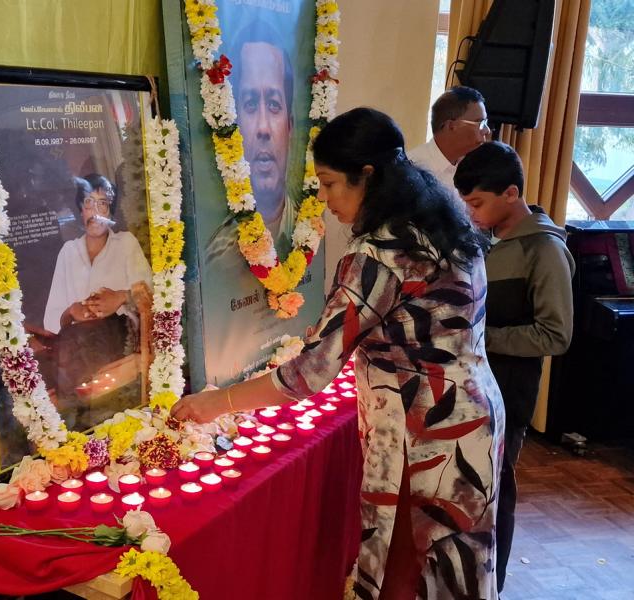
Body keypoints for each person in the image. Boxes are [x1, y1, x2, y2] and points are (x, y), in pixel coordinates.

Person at [173, 108, 505, 599]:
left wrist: (216, 403)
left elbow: (307, 375)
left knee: (409, 570)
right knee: (455, 568)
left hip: (425, 432)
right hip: (473, 413)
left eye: (329, 184)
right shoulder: (439, 226)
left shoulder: (379, 255)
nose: (324, 200)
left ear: (367, 175)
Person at [454, 141, 575, 593]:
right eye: (467, 204)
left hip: (508, 391)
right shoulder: (486, 239)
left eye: (477, 203)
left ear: (511, 193)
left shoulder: (544, 250)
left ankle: (493, 585)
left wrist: (480, 338)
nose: (471, 214)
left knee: (496, 490)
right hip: (472, 386)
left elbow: (555, 335)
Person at [42, 174, 152, 420]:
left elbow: (153, 293)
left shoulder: (125, 244)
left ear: (111, 210)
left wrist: (121, 297)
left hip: (118, 344)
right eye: (89, 203)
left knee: (110, 411)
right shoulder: (68, 252)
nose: (96, 212)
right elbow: (50, 320)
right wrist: (72, 311)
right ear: (80, 210)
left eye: (103, 204)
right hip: (74, 350)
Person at [206, 20, 295, 261]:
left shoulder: (308, 229)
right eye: (251, 104)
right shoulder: (216, 256)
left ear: (290, 126)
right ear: (233, 125)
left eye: (274, 104)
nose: (263, 128)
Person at [408, 86, 491, 194]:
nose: (487, 130)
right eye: (480, 123)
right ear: (451, 126)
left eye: (485, 122)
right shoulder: (413, 170)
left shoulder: (474, 167)